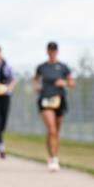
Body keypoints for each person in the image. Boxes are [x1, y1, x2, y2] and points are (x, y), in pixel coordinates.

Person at [33, 41, 75, 172]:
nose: (52, 52)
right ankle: (54, 158)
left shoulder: (63, 67)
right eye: (50, 50)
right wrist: (37, 87)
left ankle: (52, 154)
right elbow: (35, 80)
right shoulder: (42, 67)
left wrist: (64, 82)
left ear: (57, 51)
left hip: (59, 100)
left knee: (55, 131)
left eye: (54, 50)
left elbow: (72, 82)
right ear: (47, 51)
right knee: (51, 129)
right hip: (46, 100)